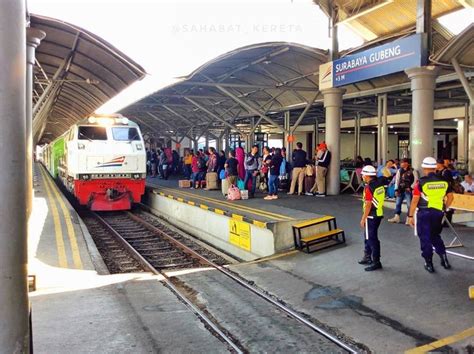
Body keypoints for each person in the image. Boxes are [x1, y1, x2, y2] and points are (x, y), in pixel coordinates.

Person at [407, 157, 454, 273]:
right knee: (435, 236)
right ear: (435, 167)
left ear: (424, 167)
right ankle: (444, 259)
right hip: (438, 212)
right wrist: (445, 207)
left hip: (424, 213)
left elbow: (415, 200)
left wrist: (410, 216)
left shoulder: (421, 182)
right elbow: (451, 197)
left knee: (425, 238)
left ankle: (429, 263)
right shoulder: (444, 180)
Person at [358, 165, 385, 271]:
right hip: (378, 213)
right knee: (368, 237)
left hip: (371, 215)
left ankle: (376, 261)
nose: (362, 176)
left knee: (372, 239)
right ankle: (367, 256)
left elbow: (368, 204)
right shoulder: (379, 184)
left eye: (363, 175)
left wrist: (363, 218)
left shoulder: (368, 187)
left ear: (367, 175)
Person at [388, 158, 416, 224]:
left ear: (407, 163)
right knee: (398, 203)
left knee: (409, 205)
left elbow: (415, 181)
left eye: (402, 162)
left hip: (408, 190)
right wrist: (396, 189)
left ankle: (409, 218)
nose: (401, 164)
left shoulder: (413, 171)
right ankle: (396, 217)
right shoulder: (399, 171)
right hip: (400, 189)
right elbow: (397, 180)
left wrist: (411, 188)